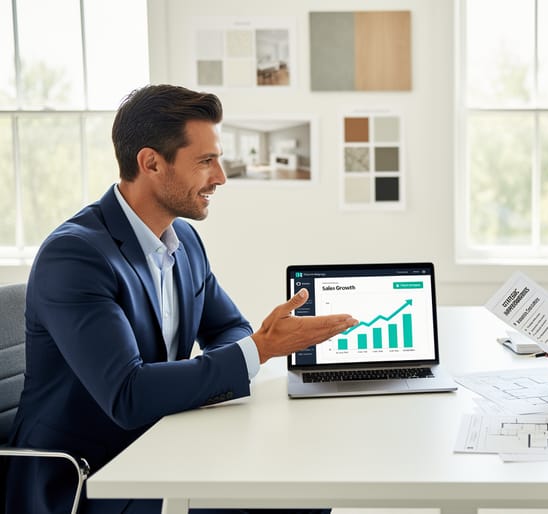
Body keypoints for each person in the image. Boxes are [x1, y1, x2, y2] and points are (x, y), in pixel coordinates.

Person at [4, 84, 358, 514]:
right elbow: (128, 394)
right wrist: (260, 348)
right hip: (86, 479)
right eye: (205, 161)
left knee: (300, 497)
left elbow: (227, 327)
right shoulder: (76, 256)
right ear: (151, 162)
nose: (221, 177)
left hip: (161, 446)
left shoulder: (183, 240)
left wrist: (249, 348)